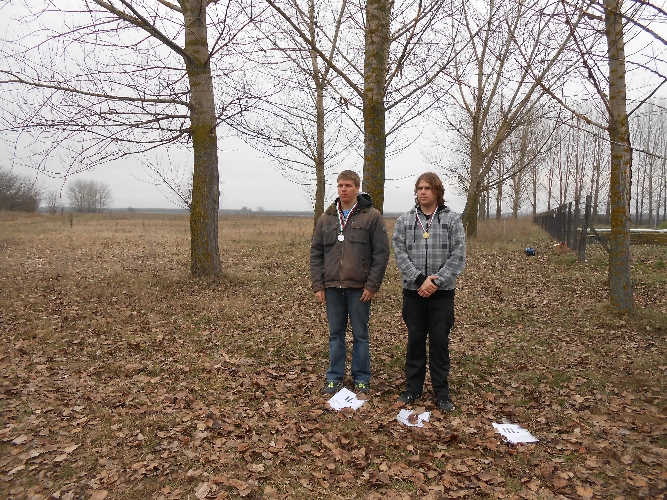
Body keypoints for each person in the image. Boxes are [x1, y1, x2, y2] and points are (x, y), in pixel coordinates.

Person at [310, 170, 390, 395]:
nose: (343, 189)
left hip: (359, 289)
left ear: (357, 188)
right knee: (335, 335)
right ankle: (334, 378)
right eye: (340, 185)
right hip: (332, 287)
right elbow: (316, 253)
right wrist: (318, 285)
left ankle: (361, 378)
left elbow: (381, 254)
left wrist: (371, 286)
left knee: (360, 335)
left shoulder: (371, 216)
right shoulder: (327, 218)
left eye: (348, 185)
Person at [392, 172, 466, 411]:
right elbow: (399, 253)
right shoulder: (405, 220)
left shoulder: (452, 220)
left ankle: (441, 392)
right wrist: (419, 280)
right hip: (413, 293)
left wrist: (436, 282)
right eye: (419, 188)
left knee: (439, 343)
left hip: (442, 295)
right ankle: (412, 389)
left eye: (427, 188)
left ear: (437, 191)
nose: (422, 192)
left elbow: (458, 255)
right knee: (415, 341)